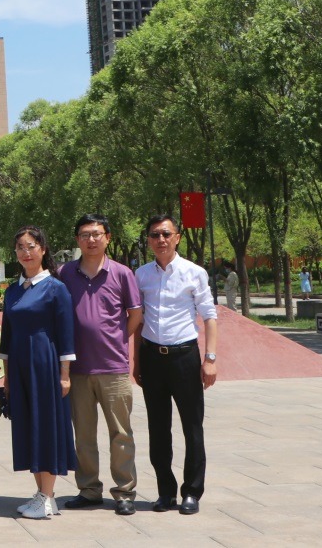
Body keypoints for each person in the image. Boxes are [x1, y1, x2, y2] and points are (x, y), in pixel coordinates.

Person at [57, 215, 142, 516]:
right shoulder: (64, 273)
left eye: (96, 234)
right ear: (77, 240)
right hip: (77, 369)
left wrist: (115, 338)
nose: (91, 240)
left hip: (113, 367)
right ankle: (89, 489)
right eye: (85, 234)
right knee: (83, 435)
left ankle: (124, 492)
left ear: (107, 237)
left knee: (121, 433)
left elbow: (135, 314)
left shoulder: (122, 273)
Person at [134, 214, 218, 516]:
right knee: (158, 428)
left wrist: (210, 359)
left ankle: (192, 492)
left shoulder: (194, 272)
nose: (161, 240)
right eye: (155, 235)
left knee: (192, 427)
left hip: (185, 357)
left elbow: (209, 316)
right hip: (152, 358)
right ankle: (165, 491)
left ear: (177, 237)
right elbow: (139, 320)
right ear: (148, 240)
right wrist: (137, 360)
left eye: (166, 234)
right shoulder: (141, 275)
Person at [0, 225, 76, 521]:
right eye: (20, 247)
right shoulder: (13, 290)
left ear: (43, 249)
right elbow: (7, 336)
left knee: (46, 426)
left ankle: (46, 495)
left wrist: (64, 374)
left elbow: (66, 334)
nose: (25, 252)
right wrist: (7, 376)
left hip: (45, 363)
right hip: (19, 364)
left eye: (31, 246)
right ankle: (44, 496)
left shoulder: (56, 288)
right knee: (28, 425)